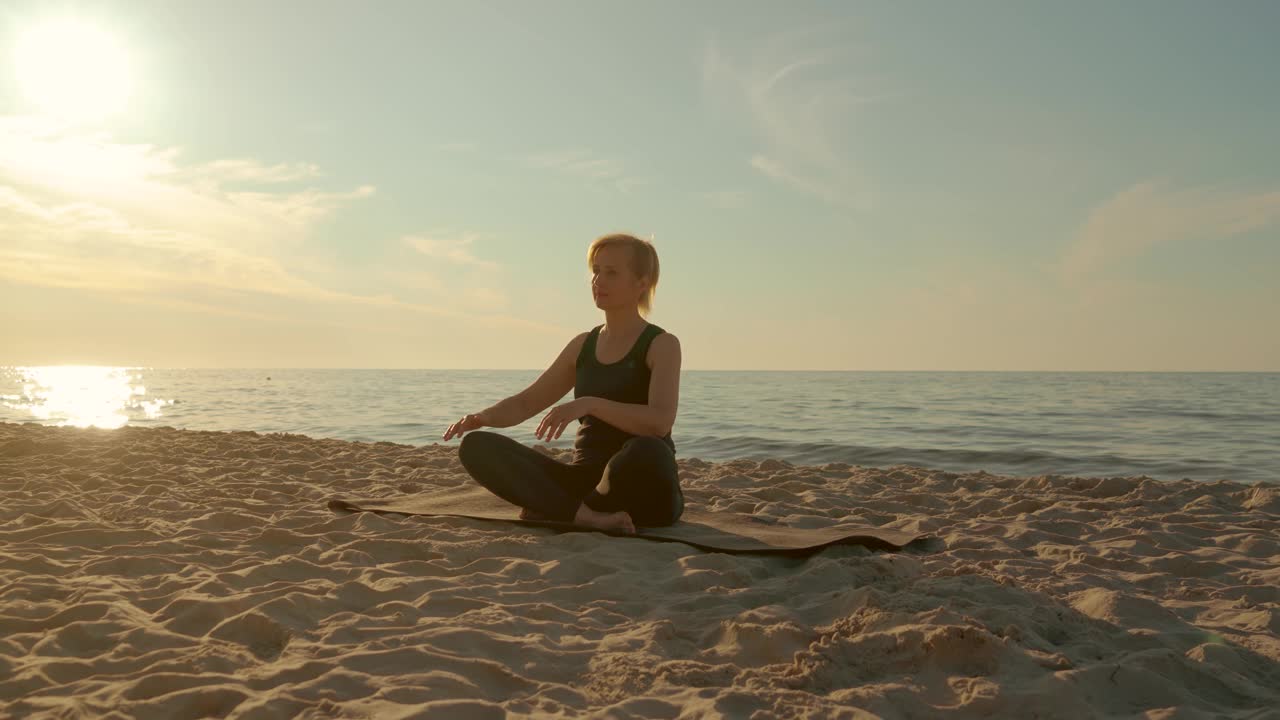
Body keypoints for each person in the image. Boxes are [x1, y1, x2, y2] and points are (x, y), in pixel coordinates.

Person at [441, 233, 683, 535]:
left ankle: (562, 509)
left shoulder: (662, 344)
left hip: (643, 487)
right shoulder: (583, 345)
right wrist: (482, 418)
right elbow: (527, 402)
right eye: (595, 271)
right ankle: (587, 516)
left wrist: (590, 403)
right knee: (477, 446)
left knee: (647, 449)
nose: (598, 281)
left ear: (641, 283)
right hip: (584, 483)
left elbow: (659, 423)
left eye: (611, 272)